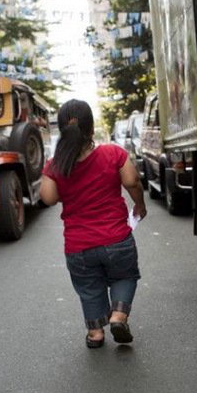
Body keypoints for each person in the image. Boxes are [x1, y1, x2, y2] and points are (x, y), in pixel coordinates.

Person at [40, 99, 147, 348]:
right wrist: (139, 205)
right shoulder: (113, 153)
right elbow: (132, 182)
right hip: (117, 239)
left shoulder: (57, 165)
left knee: (89, 288)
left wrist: (51, 171)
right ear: (91, 129)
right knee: (125, 276)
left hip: (78, 247)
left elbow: (49, 198)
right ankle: (119, 316)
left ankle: (96, 333)